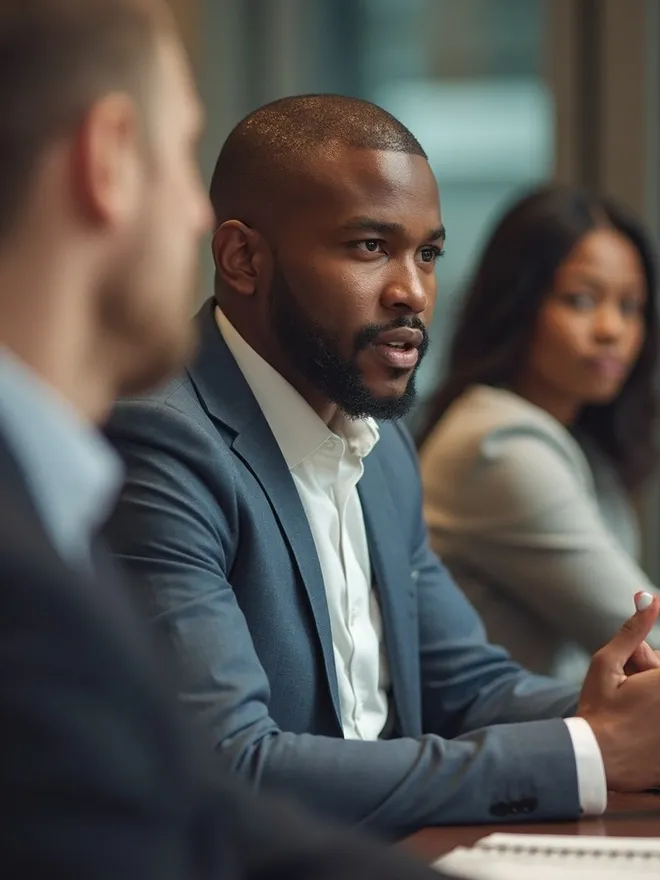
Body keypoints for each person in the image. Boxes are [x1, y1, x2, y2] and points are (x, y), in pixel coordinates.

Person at [105, 95, 660, 839]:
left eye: (427, 253)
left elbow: (466, 686)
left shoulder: (382, 443)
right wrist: (589, 749)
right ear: (242, 258)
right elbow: (234, 765)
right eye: (370, 247)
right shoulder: (163, 441)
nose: (414, 292)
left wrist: (620, 717)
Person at [0, 4, 446, 878]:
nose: (192, 217)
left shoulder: (55, 495)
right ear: (111, 157)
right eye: (180, 157)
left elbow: (192, 813)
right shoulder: (45, 537)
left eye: (428, 254)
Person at [418, 184, 660, 684]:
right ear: (519, 303)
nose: (611, 328)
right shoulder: (498, 446)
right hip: (500, 749)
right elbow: (644, 635)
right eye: (582, 299)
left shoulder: (579, 441)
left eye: (631, 306)